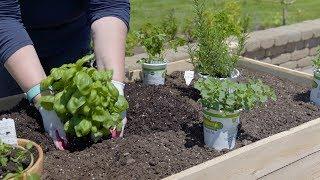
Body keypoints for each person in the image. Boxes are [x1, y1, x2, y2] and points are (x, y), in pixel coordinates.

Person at [0, 0, 130, 150]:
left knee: (76, 98)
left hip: (72, 36)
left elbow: (108, 5)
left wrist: (114, 86)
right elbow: (4, 17)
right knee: (12, 108)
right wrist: (42, 97)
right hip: (11, 49)